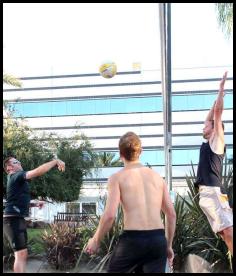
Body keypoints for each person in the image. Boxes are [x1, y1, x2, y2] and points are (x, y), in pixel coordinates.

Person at [85, 132, 176, 273]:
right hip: (157, 241)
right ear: (141, 152)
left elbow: (110, 216)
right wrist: (168, 246)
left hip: (132, 241)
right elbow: (171, 214)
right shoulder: (158, 178)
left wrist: (95, 240)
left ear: (120, 154)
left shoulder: (117, 178)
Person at [3, 156, 65, 273]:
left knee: (22, 254)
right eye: (16, 162)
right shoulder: (16, 175)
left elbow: (16, 201)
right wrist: (55, 161)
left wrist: (34, 204)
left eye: (19, 161)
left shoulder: (16, 180)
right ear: (9, 167)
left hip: (16, 219)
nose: (20, 163)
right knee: (20, 254)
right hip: (12, 220)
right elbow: (37, 172)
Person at [194, 71, 233, 255]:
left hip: (213, 193)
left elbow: (217, 113)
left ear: (214, 128)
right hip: (205, 196)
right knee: (225, 235)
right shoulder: (208, 141)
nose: (204, 126)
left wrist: (220, 89)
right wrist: (215, 101)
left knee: (229, 231)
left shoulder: (217, 140)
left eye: (207, 125)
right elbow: (210, 115)